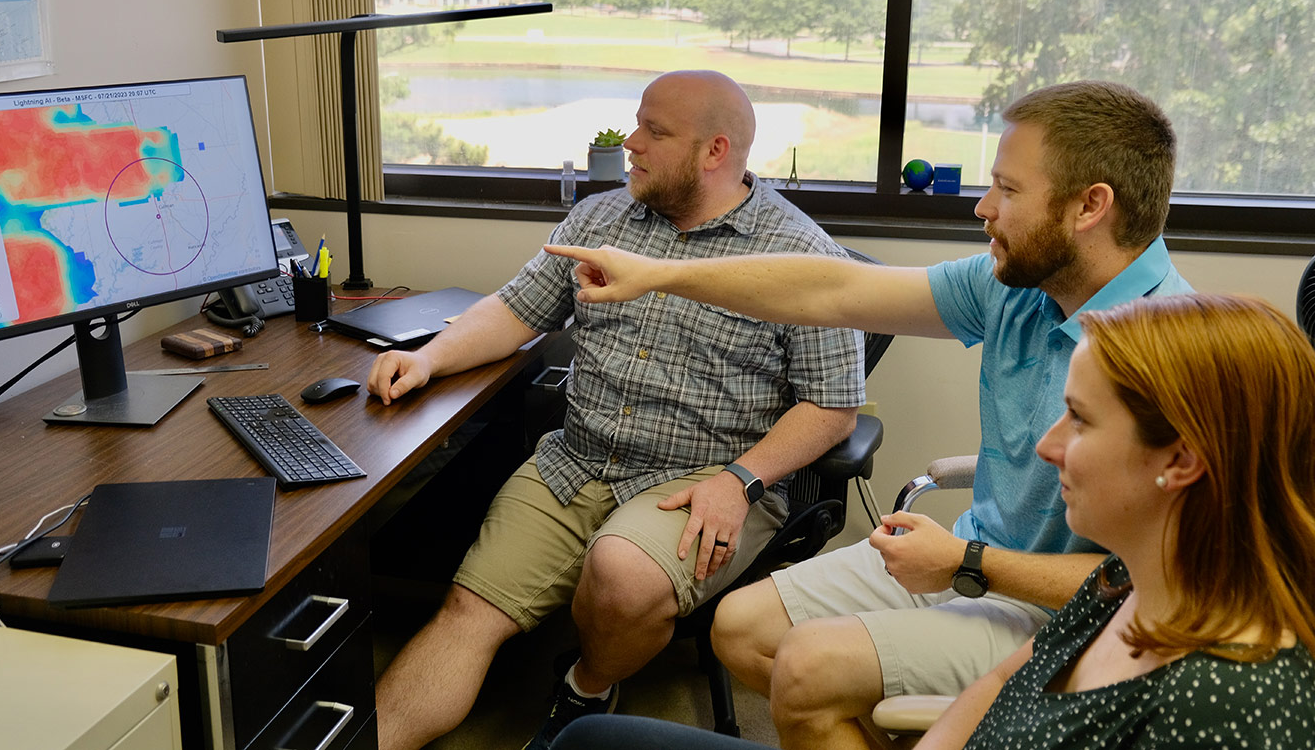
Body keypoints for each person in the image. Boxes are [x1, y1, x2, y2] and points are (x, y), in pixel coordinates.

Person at [545, 80, 1193, 748]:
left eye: (1007, 189)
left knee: (806, 669)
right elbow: (832, 288)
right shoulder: (1020, 288)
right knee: (740, 630)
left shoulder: (1170, 355)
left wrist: (969, 561)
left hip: (1068, 616)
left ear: (1091, 206)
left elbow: (1159, 587)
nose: (983, 207)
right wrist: (660, 274)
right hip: (974, 560)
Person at [551, 293, 1315, 750]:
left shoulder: (1230, 708)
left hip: (984, 574)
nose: (1047, 445)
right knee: (592, 741)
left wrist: (966, 563)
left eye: (1077, 421)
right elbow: (999, 681)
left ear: (1179, 461)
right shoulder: (1129, 582)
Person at [368, 70, 866, 750]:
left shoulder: (801, 254)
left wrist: (738, 482)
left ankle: (586, 687)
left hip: (704, 479)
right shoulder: (601, 219)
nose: (631, 142)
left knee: (621, 573)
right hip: (576, 462)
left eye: (654, 132)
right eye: (637, 124)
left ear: (715, 152)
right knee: (466, 611)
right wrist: (429, 358)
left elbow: (834, 407)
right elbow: (516, 310)